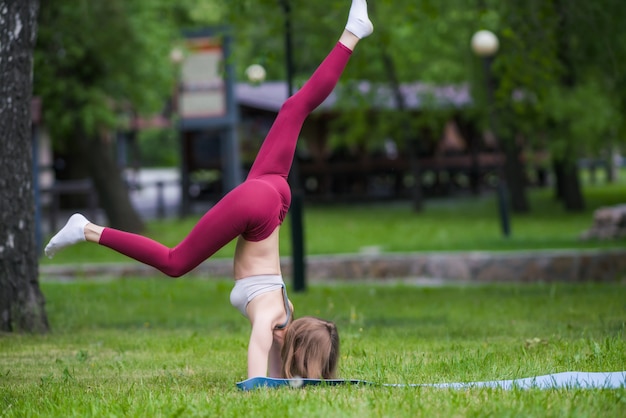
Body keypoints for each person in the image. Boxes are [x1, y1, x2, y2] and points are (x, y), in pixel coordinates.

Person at [45, 0, 373, 380]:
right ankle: (87, 229)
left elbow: (274, 371)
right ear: (295, 352)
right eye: (308, 374)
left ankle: (352, 33)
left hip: (272, 193)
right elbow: (258, 376)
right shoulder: (270, 320)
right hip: (260, 208)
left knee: (294, 109)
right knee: (174, 262)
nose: (304, 379)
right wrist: (259, 390)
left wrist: (287, 382)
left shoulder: (286, 316)